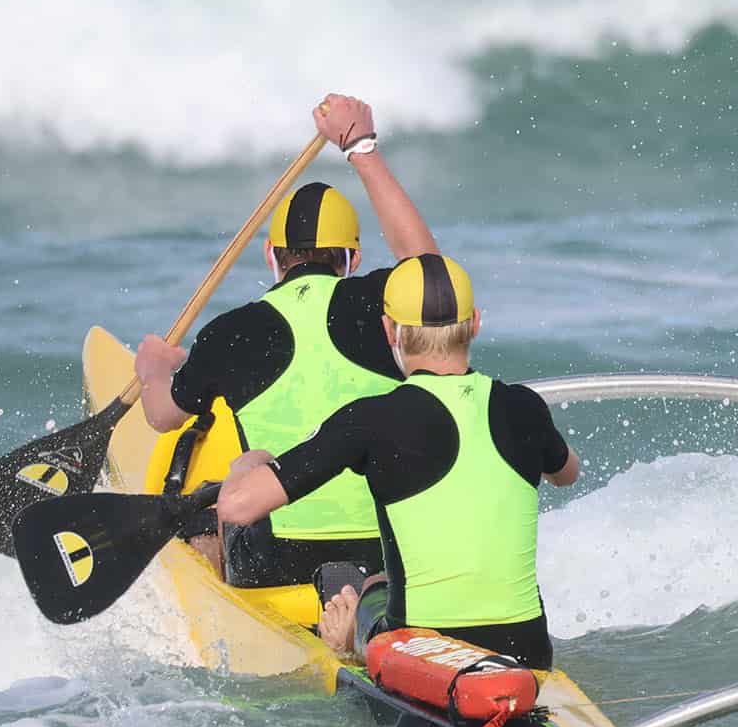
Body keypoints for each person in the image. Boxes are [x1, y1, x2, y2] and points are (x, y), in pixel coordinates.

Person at [215, 253, 581, 669]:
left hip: (422, 655)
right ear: (476, 323)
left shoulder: (369, 419)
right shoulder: (524, 407)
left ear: (390, 330)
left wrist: (245, 465)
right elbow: (567, 473)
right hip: (528, 650)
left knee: (372, 585)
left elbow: (237, 506)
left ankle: (348, 640)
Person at [134, 93, 439, 585]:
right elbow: (428, 268)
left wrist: (154, 370)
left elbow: (163, 415)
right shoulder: (384, 309)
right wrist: (362, 147)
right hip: (389, 553)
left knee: (206, 500)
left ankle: (217, 609)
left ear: (271, 255)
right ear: (353, 260)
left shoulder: (230, 332)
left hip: (278, 561)